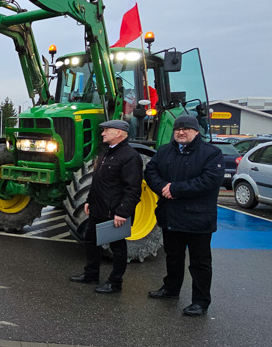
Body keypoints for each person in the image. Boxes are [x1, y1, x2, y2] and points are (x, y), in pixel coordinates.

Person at [144, 115, 224, 316]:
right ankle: (171, 289)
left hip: (198, 219)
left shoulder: (211, 154)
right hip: (170, 216)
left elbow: (209, 181)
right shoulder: (164, 151)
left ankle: (200, 301)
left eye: (186, 129)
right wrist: (163, 187)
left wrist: (176, 189)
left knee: (199, 262)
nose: (181, 132)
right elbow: (151, 171)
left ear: (196, 131)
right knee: (173, 257)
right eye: (178, 129)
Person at [69, 120, 143, 294]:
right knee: (91, 241)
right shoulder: (106, 153)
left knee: (117, 247)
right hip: (98, 208)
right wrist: (89, 200)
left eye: (106, 130)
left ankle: (115, 282)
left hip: (115, 212)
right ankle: (91, 274)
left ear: (119, 133)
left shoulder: (130, 156)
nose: (102, 133)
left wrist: (123, 212)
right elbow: (98, 182)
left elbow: (133, 188)